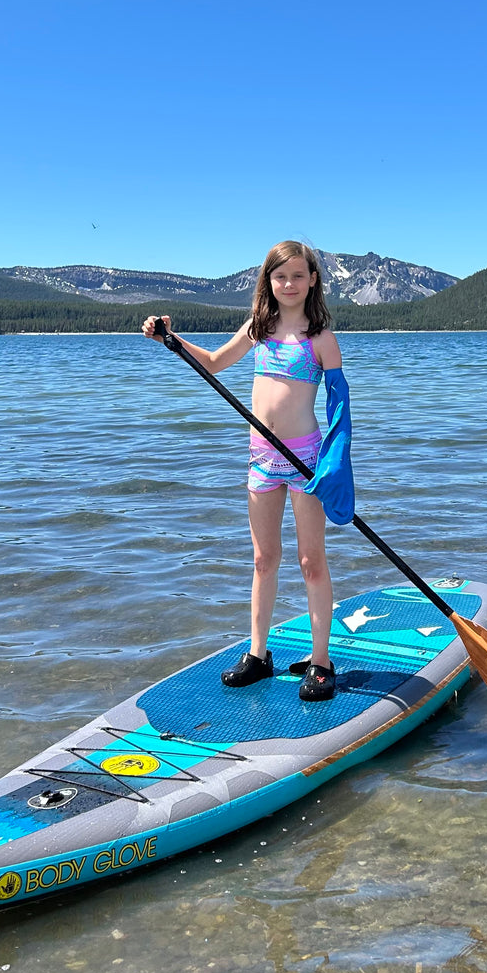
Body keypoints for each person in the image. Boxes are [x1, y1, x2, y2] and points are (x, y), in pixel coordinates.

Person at [142, 240, 342, 702]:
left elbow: (340, 410)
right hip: (262, 458)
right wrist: (170, 340)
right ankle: (258, 654)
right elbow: (214, 363)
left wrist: (335, 467)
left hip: (306, 461)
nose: (288, 284)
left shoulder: (321, 340)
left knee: (311, 561)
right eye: (280, 276)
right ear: (268, 281)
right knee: (263, 559)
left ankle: (321, 662)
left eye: (298, 275)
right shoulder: (258, 329)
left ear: (313, 280)